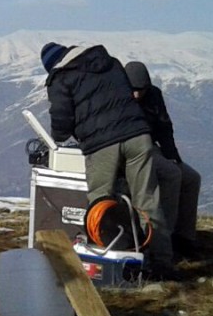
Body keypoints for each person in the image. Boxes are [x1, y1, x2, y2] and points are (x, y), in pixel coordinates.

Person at [41, 42, 177, 280]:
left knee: (100, 204)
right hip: (138, 136)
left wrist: (63, 135)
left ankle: (107, 262)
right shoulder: (110, 62)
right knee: (147, 200)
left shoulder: (60, 78)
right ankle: (162, 263)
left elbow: (61, 123)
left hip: (102, 145)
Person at [124, 60, 202, 260]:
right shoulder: (118, 97)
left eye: (141, 90)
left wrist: (173, 157)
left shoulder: (154, 96)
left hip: (153, 148)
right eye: (133, 89)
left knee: (192, 178)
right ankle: (162, 238)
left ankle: (184, 236)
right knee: (171, 175)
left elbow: (164, 128)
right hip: (132, 152)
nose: (137, 94)